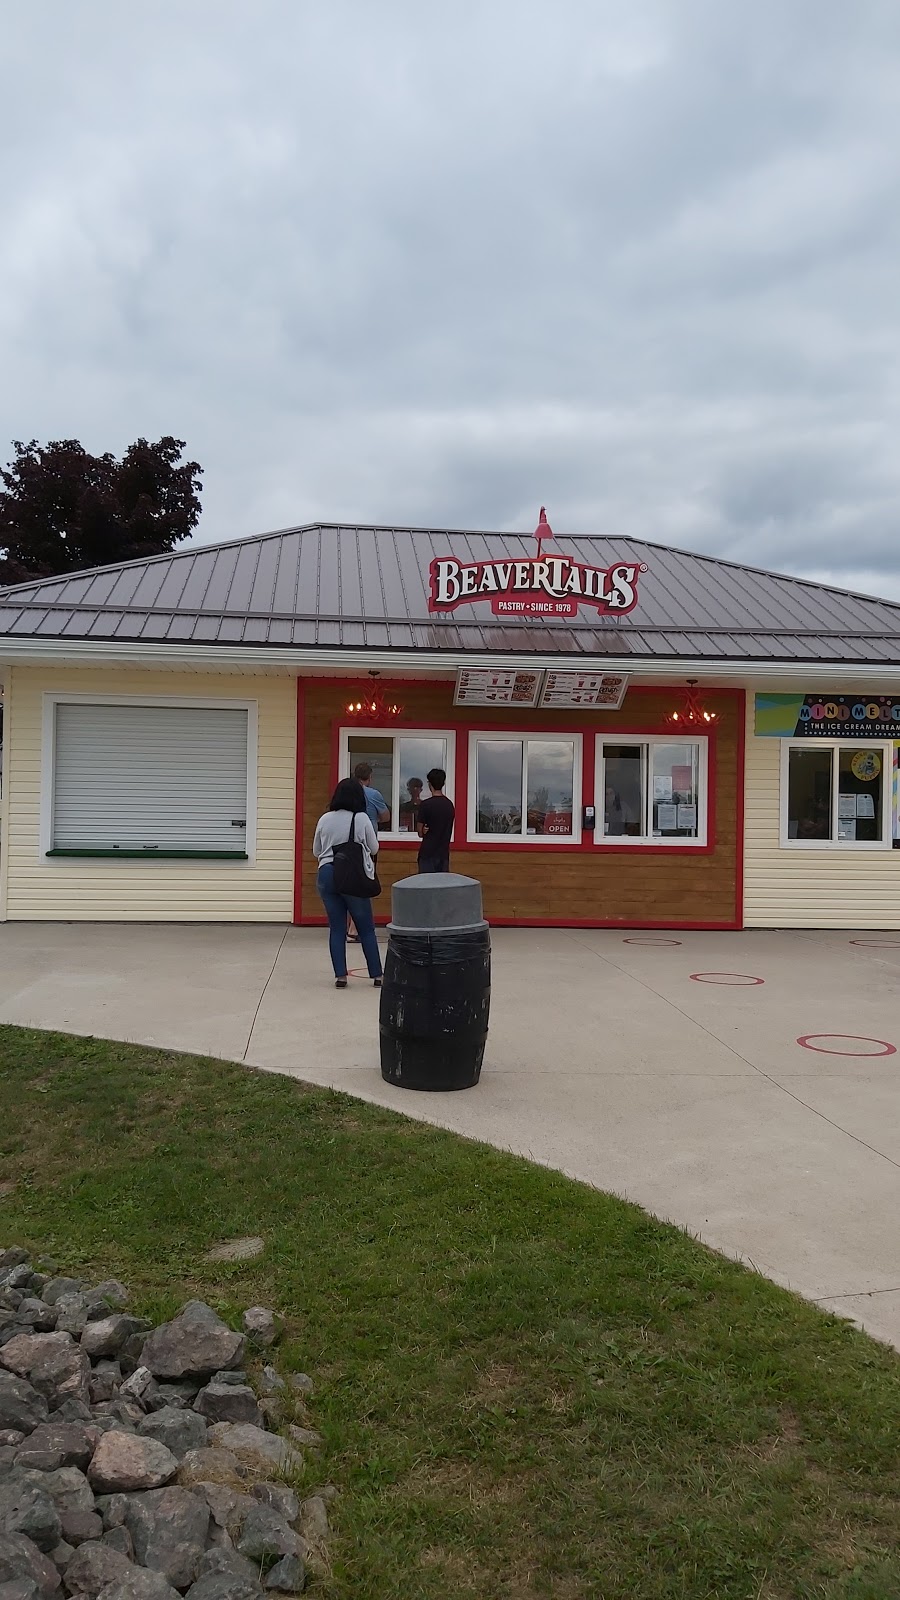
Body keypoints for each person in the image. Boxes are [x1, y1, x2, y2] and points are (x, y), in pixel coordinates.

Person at [313, 778, 383, 990]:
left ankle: (340, 976)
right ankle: (377, 975)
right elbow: (374, 848)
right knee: (366, 928)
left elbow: (316, 850)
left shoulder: (324, 819)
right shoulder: (360, 818)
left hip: (326, 873)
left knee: (336, 928)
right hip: (351, 874)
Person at [417, 768, 455, 873]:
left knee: (426, 886)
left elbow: (420, 832)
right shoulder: (449, 805)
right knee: (441, 887)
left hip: (427, 854)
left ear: (430, 784)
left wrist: (423, 831)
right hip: (443, 855)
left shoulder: (425, 805)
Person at [352, 762, 390, 829]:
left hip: (350, 833)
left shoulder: (347, 792)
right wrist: (375, 819)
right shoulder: (374, 794)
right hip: (369, 833)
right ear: (369, 777)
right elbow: (386, 817)